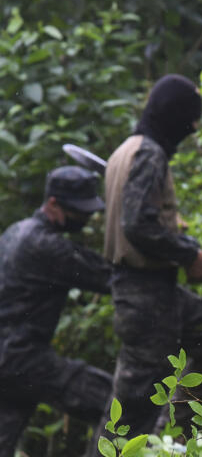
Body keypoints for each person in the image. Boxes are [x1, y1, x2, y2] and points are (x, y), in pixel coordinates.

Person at [93, 75, 202, 447]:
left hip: (152, 290)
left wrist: (175, 234)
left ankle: (174, 440)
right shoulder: (149, 154)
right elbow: (137, 224)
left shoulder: (127, 149)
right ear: (175, 116)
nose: (193, 128)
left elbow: (139, 218)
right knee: (130, 413)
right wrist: (189, 254)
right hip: (143, 295)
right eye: (191, 119)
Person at [0, 166, 113, 457]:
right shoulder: (46, 246)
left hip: (9, 360)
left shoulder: (17, 231)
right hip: (23, 359)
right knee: (119, 405)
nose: (86, 218)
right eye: (78, 211)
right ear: (53, 204)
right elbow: (110, 276)